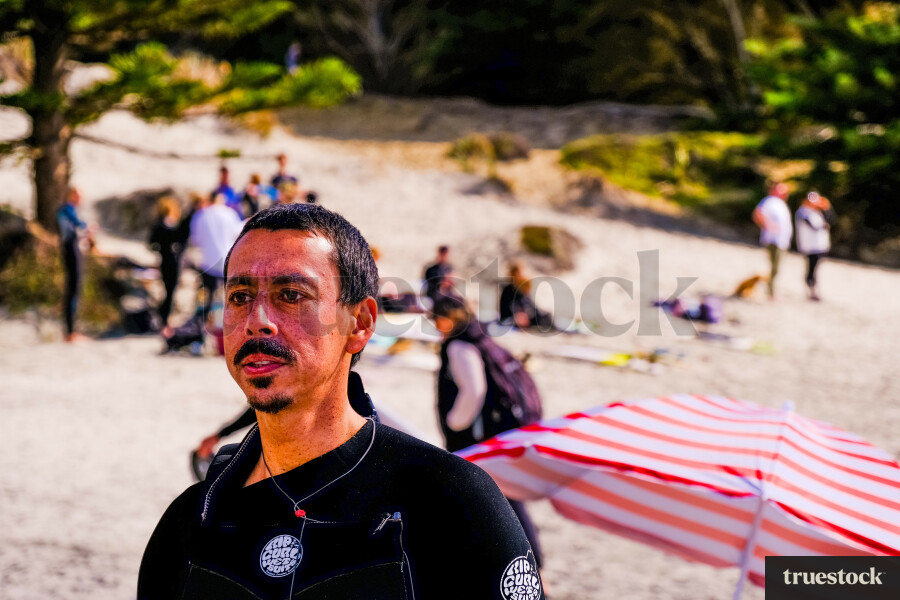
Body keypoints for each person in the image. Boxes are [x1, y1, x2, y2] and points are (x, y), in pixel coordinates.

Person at [139, 204, 543, 600]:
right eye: (240, 295)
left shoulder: (450, 503)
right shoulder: (191, 522)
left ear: (361, 323)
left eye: (292, 294)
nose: (256, 319)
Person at [431, 294, 545, 574]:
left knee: (497, 497)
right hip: (499, 433)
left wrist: (455, 423)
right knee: (503, 496)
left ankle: (532, 567)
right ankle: (531, 565)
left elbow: (475, 389)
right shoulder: (481, 336)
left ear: (446, 318)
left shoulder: (460, 345)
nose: (434, 325)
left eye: (435, 319)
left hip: (478, 438)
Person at [188, 192, 244, 317]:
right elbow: (237, 234)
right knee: (228, 296)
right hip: (226, 261)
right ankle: (224, 323)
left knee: (207, 296)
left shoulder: (200, 215)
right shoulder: (229, 213)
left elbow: (195, 240)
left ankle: (205, 323)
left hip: (208, 262)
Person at [57, 187, 94, 342]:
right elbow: (79, 225)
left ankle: (71, 330)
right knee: (73, 288)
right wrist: (89, 228)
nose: (80, 199)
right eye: (78, 196)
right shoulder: (66, 209)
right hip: (70, 249)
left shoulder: (70, 210)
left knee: (74, 289)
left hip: (74, 248)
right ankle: (70, 332)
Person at [148, 196, 188, 332]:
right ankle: (163, 319)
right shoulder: (167, 224)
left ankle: (162, 317)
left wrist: (160, 248)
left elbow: (152, 243)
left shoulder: (158, 224)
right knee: (170, 291)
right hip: (171, 260)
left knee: (168, 290)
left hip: (164, 260)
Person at [752, 183, 793, 299]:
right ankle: (771, 292)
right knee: (774, 268)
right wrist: (768, 225)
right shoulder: (769, 201)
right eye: (782, 190)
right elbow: (757, 214)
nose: (785, 193)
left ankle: (771, 290)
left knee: (776, 267)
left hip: (781, 240)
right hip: (773, 239)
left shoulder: (780, 203)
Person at [795, 192, 833, 302]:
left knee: (815, 269)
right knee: (811, 269)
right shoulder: (803, 212)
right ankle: (811, 290)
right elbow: (815, 226)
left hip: (819, 245)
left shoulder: (817, 212)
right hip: (810, 246)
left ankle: (813, 289)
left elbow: (831, 220)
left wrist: (826, 207)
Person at [499, 262, 554, 330]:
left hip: (525, 316)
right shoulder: (508, 290)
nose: (521, 275)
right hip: (512, 318)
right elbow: (508, 309)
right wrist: (518, 316)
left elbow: (530, 305)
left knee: (546, 316)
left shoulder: (522, 288)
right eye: (518, 273)